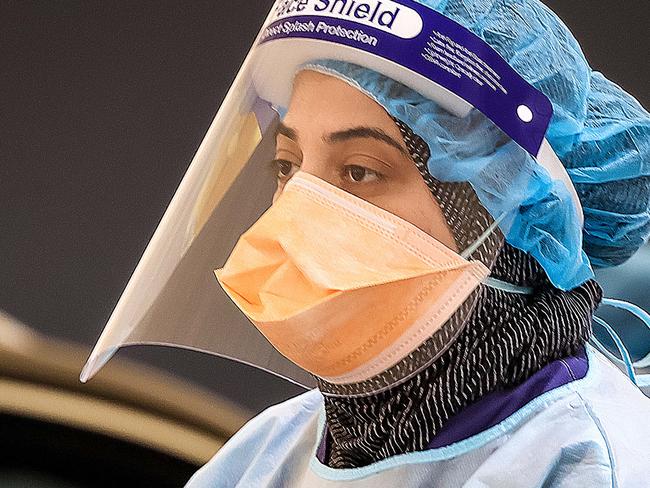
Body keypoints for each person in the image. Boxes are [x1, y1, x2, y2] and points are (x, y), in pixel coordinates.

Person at [81, 0, 650, 486]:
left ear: (514, 216)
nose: (300, 214)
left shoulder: (591, 463)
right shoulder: (270, 455)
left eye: (359, 171)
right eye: (288, 165)